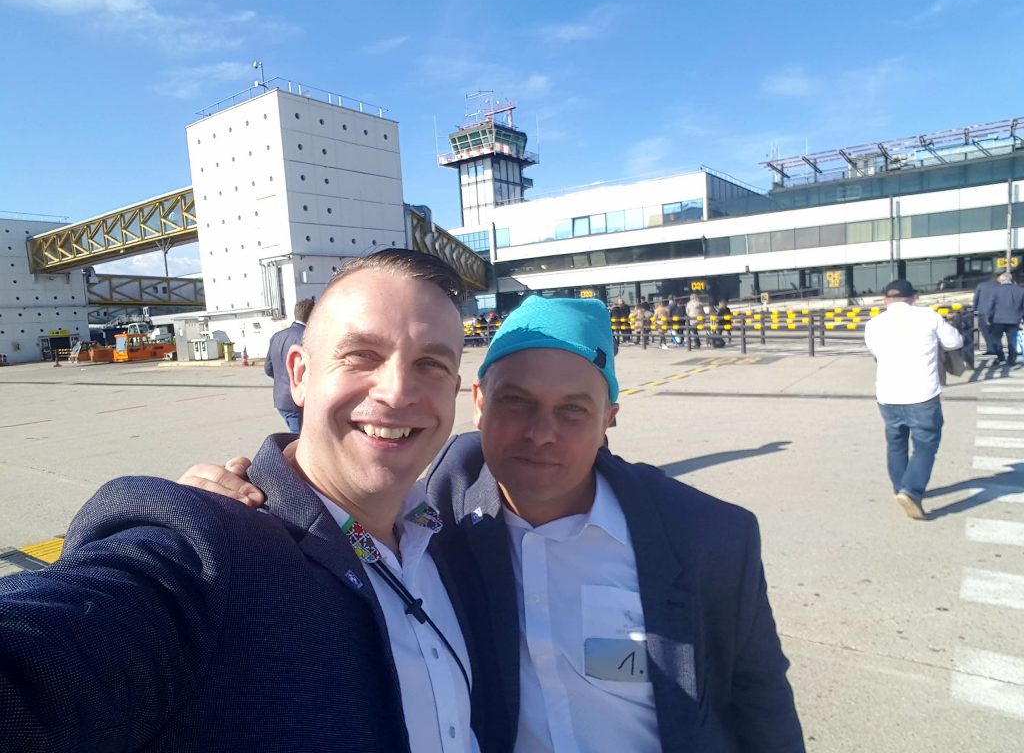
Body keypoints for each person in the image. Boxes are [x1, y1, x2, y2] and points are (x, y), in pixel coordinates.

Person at [186, 295, 806, 752]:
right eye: (516, 402)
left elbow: (762, 708)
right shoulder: (434, 515)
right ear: (479, 402)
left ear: (610, 417)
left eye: (573, 410)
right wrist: (212, 499)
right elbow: (328, 497)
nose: (541, 434)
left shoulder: (707, 539)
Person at [0, 250, 495, 752]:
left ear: (454, 389)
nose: (397, 391)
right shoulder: (214, 554)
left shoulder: (442, 536)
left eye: (430, 364)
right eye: (361, 355)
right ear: (299, 374)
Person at [864, 279, 963, 520]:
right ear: (913, 297)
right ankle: (911, 491)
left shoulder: (874, 324)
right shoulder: (928, 316)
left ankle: (900, 487)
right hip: (922, 394)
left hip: (888, 394)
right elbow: (955, 342)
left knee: (896, 442)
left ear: (885, 300)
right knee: (925, 445)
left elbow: (875, 352)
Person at [264, 297, 314, 432]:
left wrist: (283, 380)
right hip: (297, 400)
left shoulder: (277, 336)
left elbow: (268, 368)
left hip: (281, 399)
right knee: (299, 438)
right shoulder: (307, 337)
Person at [985, 272, 1024, 365]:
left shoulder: (995, 290)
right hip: (1014, 319)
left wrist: (988, 318)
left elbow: (990, 305)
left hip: (998, 319)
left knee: (995, 338)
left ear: (1002, 280)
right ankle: (1012, 359)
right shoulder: (1020, 290)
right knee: (1012, 340)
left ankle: (1001, 357)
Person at [972, 272, 1000, 356]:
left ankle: (990, 348)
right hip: (996, 312)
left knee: (985, 331)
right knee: (996, 331)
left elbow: (976, 299)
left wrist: (974, 309)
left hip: (982, 311)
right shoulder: (1000, 286)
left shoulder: (981, 285)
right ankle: (997, 348)